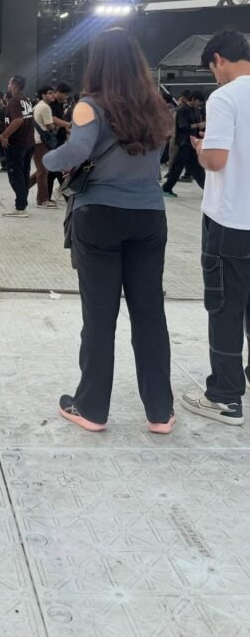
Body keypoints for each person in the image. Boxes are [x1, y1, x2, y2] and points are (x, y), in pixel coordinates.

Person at [43, 28, 174, 433]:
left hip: (99, 215)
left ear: (97, 62)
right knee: (150, 312)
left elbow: (77, 151)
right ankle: (160, 411)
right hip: (150, 216)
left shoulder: (89, 106)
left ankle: (92, 409)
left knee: (100, 315)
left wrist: (47, 159)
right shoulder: (157, 106)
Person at [182, 31, 250, 425]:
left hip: (231, 219)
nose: (215, 78)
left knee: (225, 306)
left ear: (219, 59)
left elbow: (218, 161)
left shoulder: (225, 97)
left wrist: (200, 151)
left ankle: (225, 395)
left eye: (213, 70)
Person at [0, 75, 34, 217]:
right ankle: (22, 204)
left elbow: (18, 120)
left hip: (17, 144)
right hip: (28, 143)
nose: (8, 85)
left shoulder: (14, 101)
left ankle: (20, 207)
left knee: (16, 175)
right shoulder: (26, 99)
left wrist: (5, 135)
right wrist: (3, 135)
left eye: (9, 83)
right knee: (24, 174)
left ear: (13, 85)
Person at [162, 91, 205, 196]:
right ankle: (166, 188)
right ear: (193, 99)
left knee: (196, 168)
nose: (199, 104)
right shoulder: (182, 110)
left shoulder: (195, 110)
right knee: (178, 167)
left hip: (192, 142)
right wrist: (198, 125)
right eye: (198, 101)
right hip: (183, 143)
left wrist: (200, 131)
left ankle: (208, 190)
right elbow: (183, 126)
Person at [28, 85, 61, 209]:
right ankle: (42, 200)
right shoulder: (45, 107)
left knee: (41, 169)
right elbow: (49, 126)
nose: (53, 95)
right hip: (41, 143)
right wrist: (56, 128)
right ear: (43, 95)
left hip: (36, 141)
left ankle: (23, 188)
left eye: (53, 92)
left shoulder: (37, 106)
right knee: (43, 171)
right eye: (50, 93)